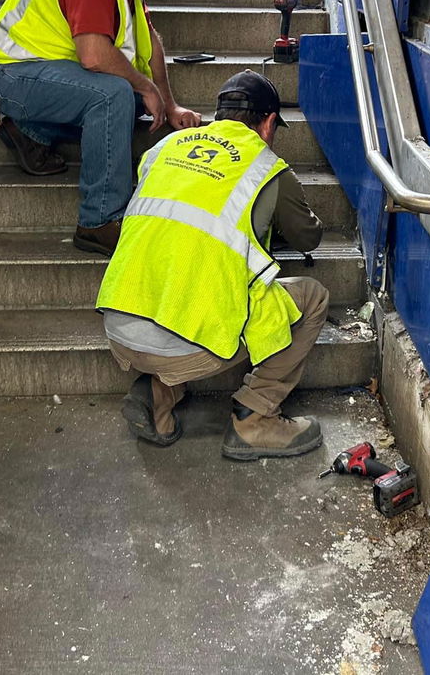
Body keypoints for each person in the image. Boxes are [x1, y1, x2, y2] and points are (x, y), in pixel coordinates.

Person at [96, 70, 329, 460]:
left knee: (188, 286)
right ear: (268, 123)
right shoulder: (266, 168)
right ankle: (255, 419)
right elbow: (308, 238)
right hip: (185, 344)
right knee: (312, 298)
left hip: (119, 323)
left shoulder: (164, 149)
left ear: (217, 114)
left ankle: (156, 396)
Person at [0, 0, 200, 256]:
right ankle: (99, 220)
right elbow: (92, 56)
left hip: (41, 76)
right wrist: (144, 85)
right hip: (7, 77)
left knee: (131, 97)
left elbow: (148, 45)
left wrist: (168, 105)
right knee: (113, 95)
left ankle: (31, 132)